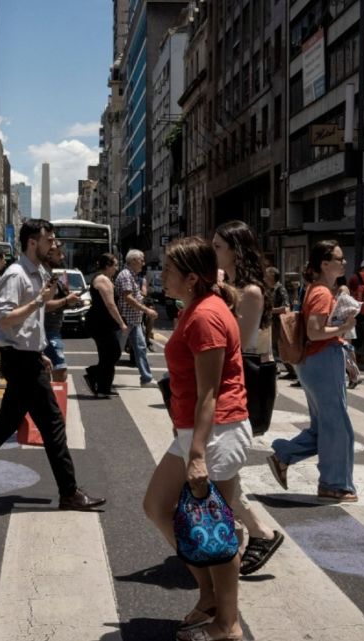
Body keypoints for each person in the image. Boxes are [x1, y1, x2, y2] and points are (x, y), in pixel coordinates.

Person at [0, 219, 105, 510]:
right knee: (52, 423)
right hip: (19, 361)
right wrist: (38, 303)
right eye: (48, 240)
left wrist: (40, 341)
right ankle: (69, 492)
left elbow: (31, 316)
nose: (52, 244)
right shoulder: (16, 274)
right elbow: (4, 318)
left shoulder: (35, 272)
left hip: (25, 357)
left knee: (5, 424)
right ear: (32, 242)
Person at [141, 236, 254, 641]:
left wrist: (197, 454)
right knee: (158, 506)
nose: (162, 276)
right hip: (199, 431)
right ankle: (208, 596)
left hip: (217, 433)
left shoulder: (206, 316)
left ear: (191, 278)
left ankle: (228, 623)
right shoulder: (198, 308)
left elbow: (210, 392)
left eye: (169, 270)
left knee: (217, 534)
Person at [267, 240, 359, 503]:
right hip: (322, 361)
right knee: (337, 427)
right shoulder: (321, 293)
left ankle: (284, 456)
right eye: (339, 259)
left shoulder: (319, 290)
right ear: (324, 263)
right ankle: (333, 484)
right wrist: (346, 326)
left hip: (316, 362)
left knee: (326, 426)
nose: (344, 263)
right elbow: (315, 332)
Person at [213, 221, 276, 433]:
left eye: (217, 247)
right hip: (216, 378)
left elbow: (237, 344)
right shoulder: (226, 287)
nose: (212, 253)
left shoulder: (250, 292)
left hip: (231, 382)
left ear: (236, 251)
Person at [84, 254, 128, 397]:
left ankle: (104, 387)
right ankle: (93, 373)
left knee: (107, 355)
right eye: (115, 265)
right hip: (99, 323)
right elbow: (110, 304)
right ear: (108, 265)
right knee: (113, 352)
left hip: (103, 322)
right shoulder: (103, 279)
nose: (116, 268)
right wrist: (121, 323)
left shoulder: (106, 279)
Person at [116, 249, 158, 386]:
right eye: (141, 260)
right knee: (115, 351)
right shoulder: (126, 275)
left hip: (135, 321)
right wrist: (146, 309)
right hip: (125, 320)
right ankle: (103, 375)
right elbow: (128, 298)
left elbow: (137, 296)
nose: (143, 263)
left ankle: (146, 378)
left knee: (141, 348)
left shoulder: (133, 275)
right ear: (133, 260)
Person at [43, 245, 82, 383]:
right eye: (59, 254)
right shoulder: (44, 276)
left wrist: (69, 300)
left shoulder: (50, 275)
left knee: (46, 371)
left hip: (51, 330)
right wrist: (66, 300)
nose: (63, 257)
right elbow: (42, 305)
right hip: (47, 331)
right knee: (60, 372)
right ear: (48, 255)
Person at [265, 267, 296, 381]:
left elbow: (286, 307)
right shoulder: (269, 288)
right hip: (271, 322)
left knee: (281, 348)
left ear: (273, 276)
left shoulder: (280, 289)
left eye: (268, 273)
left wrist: (271, 310)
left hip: (279, 323)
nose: (265, 275)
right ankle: (290, 371)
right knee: (274, 348)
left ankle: (294, 371)